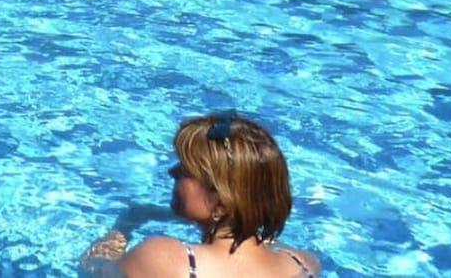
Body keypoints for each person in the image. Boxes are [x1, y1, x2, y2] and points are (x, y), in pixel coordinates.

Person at [80, 113, 320, 276]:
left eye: (186, 171)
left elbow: (92, 268)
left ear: (222, 201)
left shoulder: (162, 259)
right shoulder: (304, 264)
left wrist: (125, 224)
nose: (172, 171)